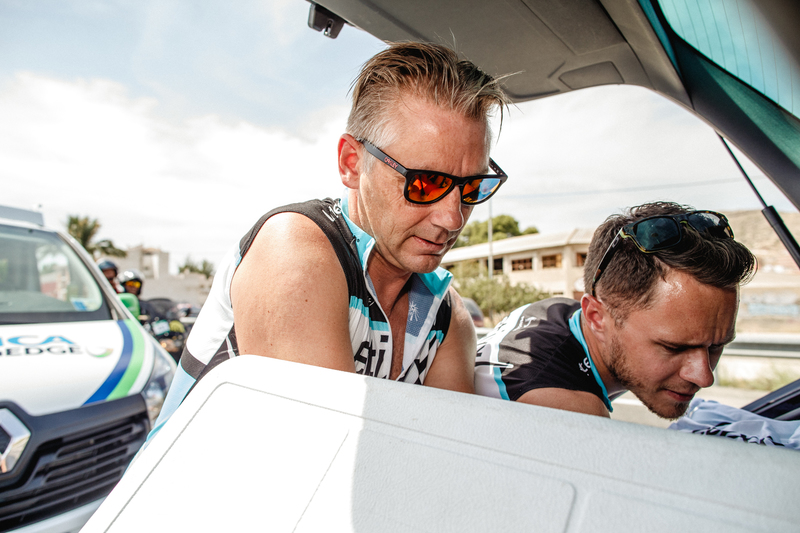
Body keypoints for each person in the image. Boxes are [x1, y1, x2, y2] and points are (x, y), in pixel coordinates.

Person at [150, 42, 510, 439]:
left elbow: (449, 452)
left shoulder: (446, 315)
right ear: (352, 163)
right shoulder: (294, 251)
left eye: (472, 187)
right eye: (425, 183)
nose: (453, 218)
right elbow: (323, 455)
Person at [475, 202, 756, 419]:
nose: (704, 377)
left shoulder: (554, 311)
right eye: (673, 348)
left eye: (716, 347)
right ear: (596, 317)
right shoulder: (572, 411)